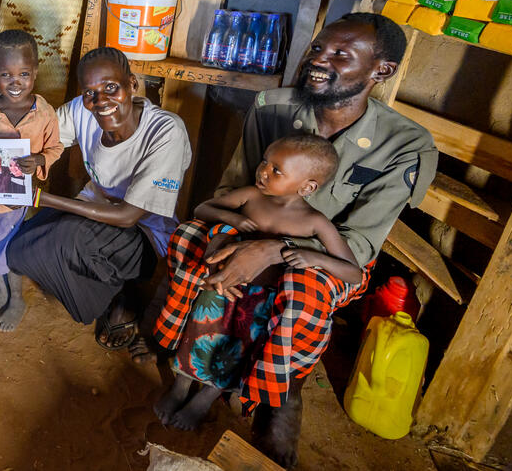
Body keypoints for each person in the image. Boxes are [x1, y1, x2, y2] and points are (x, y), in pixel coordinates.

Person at [152, 12, 437, 469]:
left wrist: (278, 251)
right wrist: (242, 241)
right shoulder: (273, 107)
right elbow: (230, 191)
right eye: (318, 49)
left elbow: (358, 248)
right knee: (193, 241)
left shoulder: (405, 145)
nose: (319, 61)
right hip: (254, 226)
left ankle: (284, 392)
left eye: (341, 55)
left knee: (301, 292)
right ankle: (188, 352)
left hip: (324, 256)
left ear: (379, 71)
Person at [154, 134, 360, 431]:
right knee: (199, 332)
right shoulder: (251, 196)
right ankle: (180, 388)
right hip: (225, 286)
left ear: (308, 186)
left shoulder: (316, 223)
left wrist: (311, 255)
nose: (263, 171)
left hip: (263, 302)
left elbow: (353, 273)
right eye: (265, 161)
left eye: (277, 170)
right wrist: (231, 219)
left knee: (235, 350)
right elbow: (202, 209)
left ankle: (206, 399)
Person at [6, 47, 191, 352]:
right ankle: (106, 284)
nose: (100, 101)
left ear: (131, 84)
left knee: (67, 238)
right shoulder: (83, 109)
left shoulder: (165, 131)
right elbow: (42, 136)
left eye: (110, 88)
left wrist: (42, 199)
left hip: (144, 236)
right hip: (94, 212)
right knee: (21, 249)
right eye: (90, 92)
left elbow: (129, 217)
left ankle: (125, 294)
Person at [0, 30, 64, 332]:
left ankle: (16, 299)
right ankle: (0, 292)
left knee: (10, 251)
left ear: (35, 71)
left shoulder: (44, 113)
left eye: (24, 73)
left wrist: (39, 161)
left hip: (18, 203)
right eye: (6, 74)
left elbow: (55, 148)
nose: (16, 82)